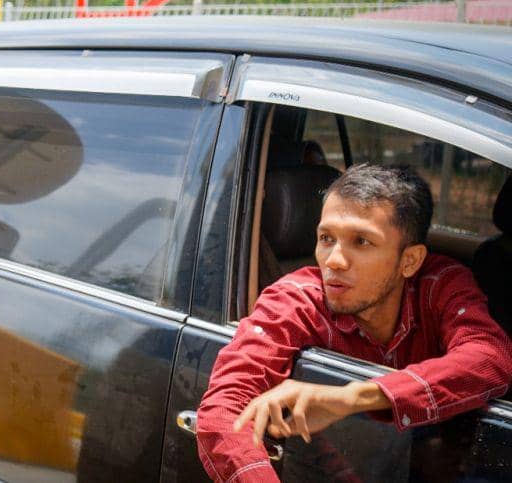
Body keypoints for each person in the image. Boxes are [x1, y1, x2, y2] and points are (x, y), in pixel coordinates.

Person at [196, 164, 512, 483]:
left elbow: (489, 358)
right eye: (326, 238)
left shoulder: (441, 284)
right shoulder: (296, 299)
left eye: (361, 242)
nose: (333, 260)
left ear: (410, 261)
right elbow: (222, 410)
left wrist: (350, 398)